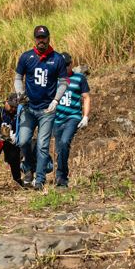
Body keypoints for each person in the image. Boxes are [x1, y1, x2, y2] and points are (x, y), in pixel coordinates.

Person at [14, 25, 68, 191]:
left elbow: (64, 82)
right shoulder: (26, 57)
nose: (41, 41)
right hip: (28, 107)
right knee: (22, 140)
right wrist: (20, 93)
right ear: (35, 39)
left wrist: (56, 100)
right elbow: (18, 77)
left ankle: (40, 179)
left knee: (43, 145)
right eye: (39, 38)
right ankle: (28, 168)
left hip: (47, 110)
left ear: (49, 38)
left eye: (44, 38)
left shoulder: (57, 59)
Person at [52, 53, 91, 189]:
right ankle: (60, 175)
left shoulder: (79, 78)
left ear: (71, 64)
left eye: (66, 65)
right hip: (57, 119)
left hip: (73, 117)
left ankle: (62, 176)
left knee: (64, 142)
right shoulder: (54, 79)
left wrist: (85, 116)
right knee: (60, 149)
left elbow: (86, 97)